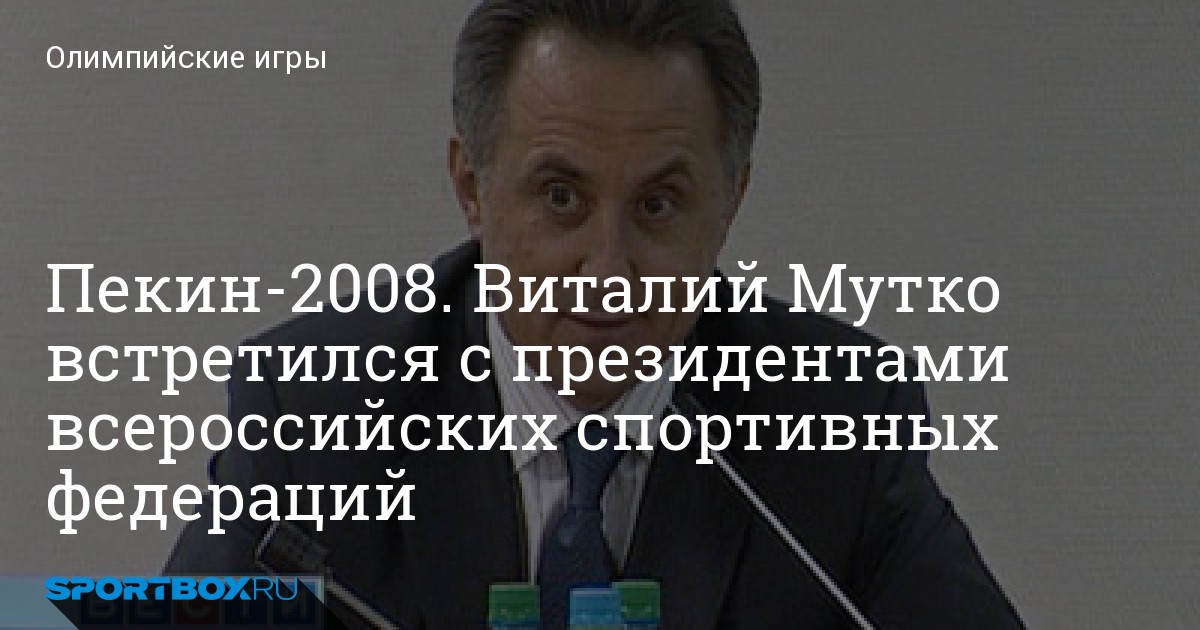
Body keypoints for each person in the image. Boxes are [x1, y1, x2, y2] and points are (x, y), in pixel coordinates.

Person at [166, 1, 1024, 628]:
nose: (608, 269)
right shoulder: (314, 407)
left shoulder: (836, 419)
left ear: (730, 201)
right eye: (561, 197)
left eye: (658, 205)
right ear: (472, 188)